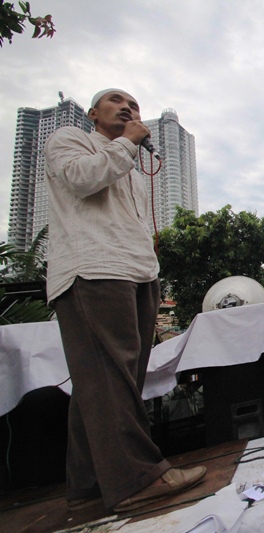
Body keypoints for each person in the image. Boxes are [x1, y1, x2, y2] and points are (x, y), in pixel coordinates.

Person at [44, 89, 206, 512]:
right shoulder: (70, 139)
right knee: (109, 378)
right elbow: (81, 179)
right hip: (93, 269)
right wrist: (128, 143)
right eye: (116, 101)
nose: (128, 108)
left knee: (110, 381)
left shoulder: (130, 166)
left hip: (136, 274)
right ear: (93, 113)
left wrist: (151, 273)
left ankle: (90, 483)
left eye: (134, 105)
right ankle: (137, 479)